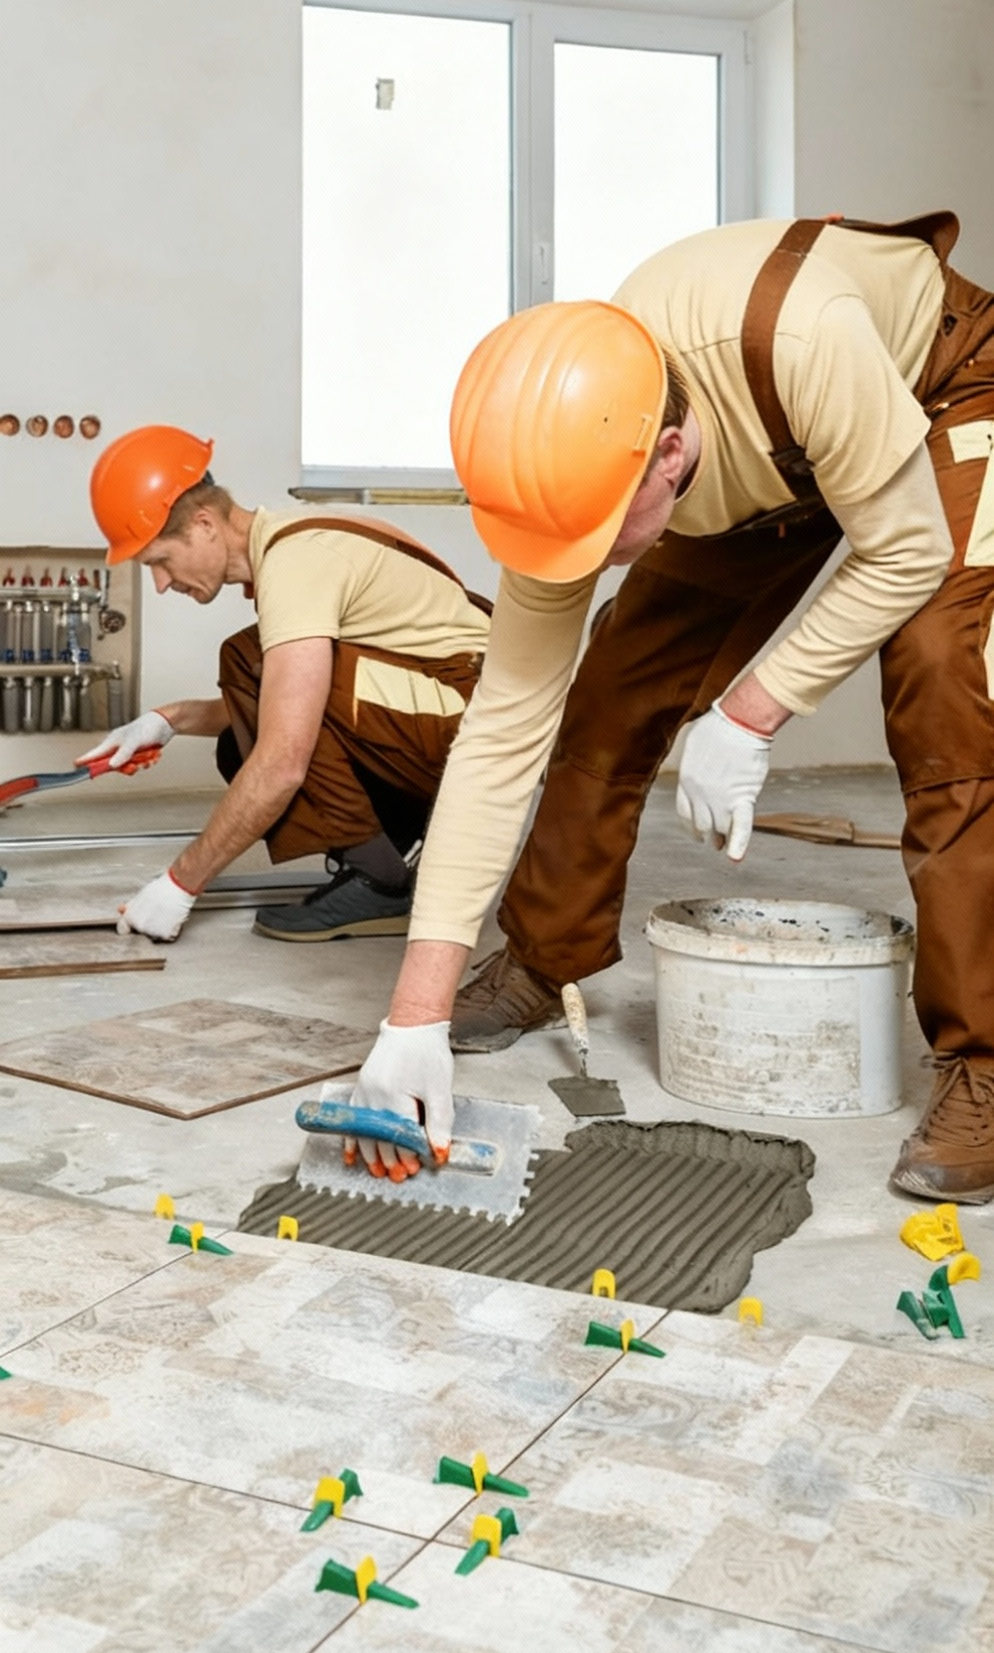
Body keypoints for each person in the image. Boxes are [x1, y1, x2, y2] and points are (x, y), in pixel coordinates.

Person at [339, 212, 994, 1206]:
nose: (585, 560)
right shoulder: (569, 453)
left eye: (601, 535)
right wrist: (412, 1015)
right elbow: (500, 738)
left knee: (944, 674)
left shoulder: (802, 340)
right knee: (606, 695)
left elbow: (899, 548)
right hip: (773, 452)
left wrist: (754, 707)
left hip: (937, 387)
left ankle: (984, 1060)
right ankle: (541, 956)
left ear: (671, 456)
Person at [83, 425, 490, 941]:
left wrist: (179, 883)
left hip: (474, 723)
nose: (161, 584)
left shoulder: (295, 565)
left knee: (258, 682)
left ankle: (381, 880)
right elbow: (271, 701)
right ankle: (385, 848)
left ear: (205, 524)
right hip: (436, 704)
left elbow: (282, 762)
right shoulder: (291, 539)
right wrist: (169, 720)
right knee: (247, 675)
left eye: (160, 561)